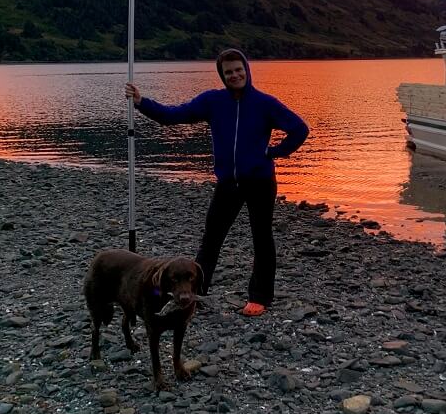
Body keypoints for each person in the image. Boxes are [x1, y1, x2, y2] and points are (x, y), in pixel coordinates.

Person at [125, 48, 309, 317]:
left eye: (238, 69)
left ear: (246, 69)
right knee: (211, 239)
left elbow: (299, 129)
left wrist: (275, 152)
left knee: (262, 239)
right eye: (228, 72)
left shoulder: (265, 103)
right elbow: (173, 116)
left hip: (260, 181)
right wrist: (142, 102)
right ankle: (196, 294)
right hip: (228, 183)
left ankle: (259, 297)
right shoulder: (213, 102)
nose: (235, 75)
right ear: (222, 76)